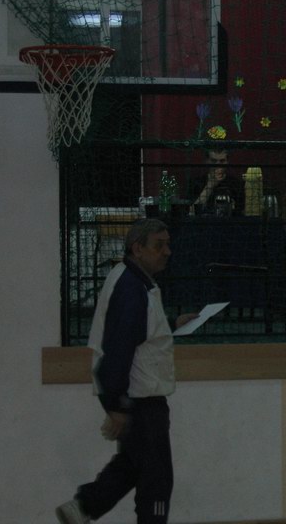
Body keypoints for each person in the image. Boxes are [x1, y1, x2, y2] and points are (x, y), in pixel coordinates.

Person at [56, 219, 198, 524]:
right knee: (157, 481)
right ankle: (85, 507)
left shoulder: (132, 280)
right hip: (142, 399)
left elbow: (137, 332)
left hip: (136, 397)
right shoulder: (132, 290)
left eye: (168, 244)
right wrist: (117, 405)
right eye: (159, 245)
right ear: (137, 248)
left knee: (133, 464)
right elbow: (118, 348)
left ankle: (83, 507)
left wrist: (173, 323)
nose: (167, 252)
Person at [192, 149, 244, 216]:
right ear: (207, 161)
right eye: (213, 161)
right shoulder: (196, 182)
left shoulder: (236, 183)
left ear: (227, 162)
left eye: (222, 161)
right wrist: (210, 185)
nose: (218, 164)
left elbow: (242, 211)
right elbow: (192, 212)